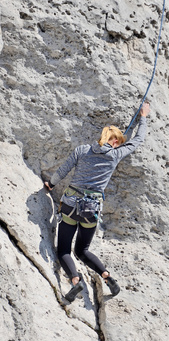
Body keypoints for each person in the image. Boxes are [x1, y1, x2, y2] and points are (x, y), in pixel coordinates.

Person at [45, 102, 150, 302]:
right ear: (115, 141)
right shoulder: (116, 155)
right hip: (90, 211)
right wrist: (143, 117)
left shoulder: (82, 150)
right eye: (118, 141)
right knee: (82, 250)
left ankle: (75, 282)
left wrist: (50, 184)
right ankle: (108, 277)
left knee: (65, 250)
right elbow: (138, 140)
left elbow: (63, 171)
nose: (118, 144)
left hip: (69, 206)